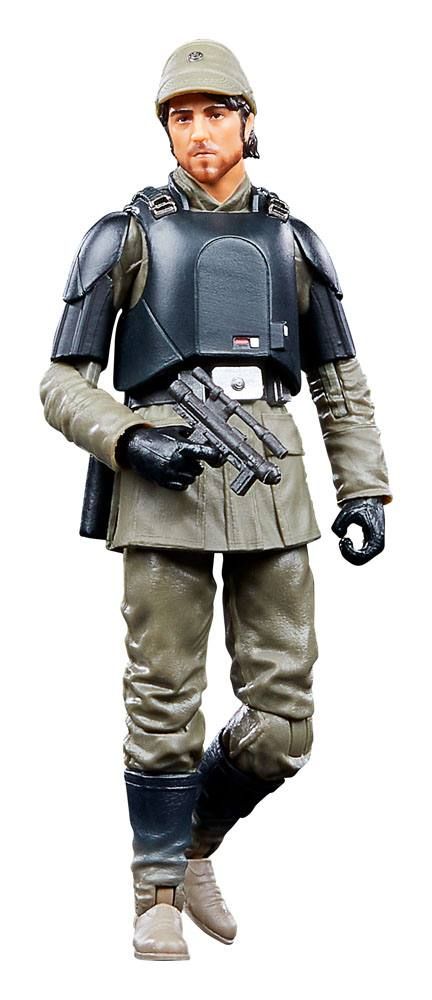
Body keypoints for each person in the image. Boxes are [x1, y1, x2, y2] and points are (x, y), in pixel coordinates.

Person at [40, 38, 392, 961]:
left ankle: (194, 841)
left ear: (249, 119)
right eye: (181, 116)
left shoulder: (292, 241)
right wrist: (130, 437)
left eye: (215, 112)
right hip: (165, 481)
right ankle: (155, 889)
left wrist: (364, 487)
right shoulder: (123, 236)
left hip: (270, 476)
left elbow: (340, 383)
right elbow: (61, 382)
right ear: (166, 129)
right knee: (162, 696)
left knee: (283, 725)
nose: (199, 132)